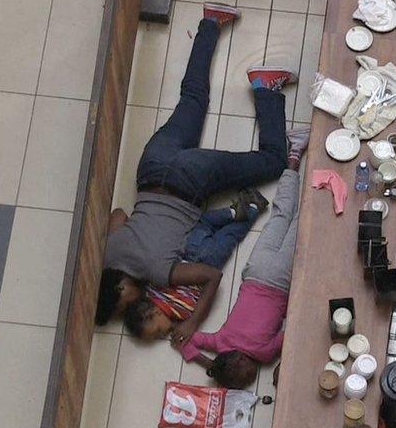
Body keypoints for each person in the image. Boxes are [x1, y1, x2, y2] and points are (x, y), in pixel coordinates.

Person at [97, 1, 309, 348]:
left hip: (192, 181)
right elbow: (119, 214)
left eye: (124, 303)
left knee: (273, 161)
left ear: (119, 288)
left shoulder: (157, 273)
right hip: (153, 165)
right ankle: (211, 21)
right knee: (193, 97)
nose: (133, 302)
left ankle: (265, 88)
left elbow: (212, 276)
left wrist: (194, 322)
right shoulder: (109, 250)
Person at [125, 163, 303, 389]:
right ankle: (292, 165)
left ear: (240, 361)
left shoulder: (264, 354)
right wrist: (210, 363)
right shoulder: (220, 342)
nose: (252, 378)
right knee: (280, 218)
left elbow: (292, 332)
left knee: (300, 225)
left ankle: (311, 187)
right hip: (254, 272)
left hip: (279, 281)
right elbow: (185, 343)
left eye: (248, 377)